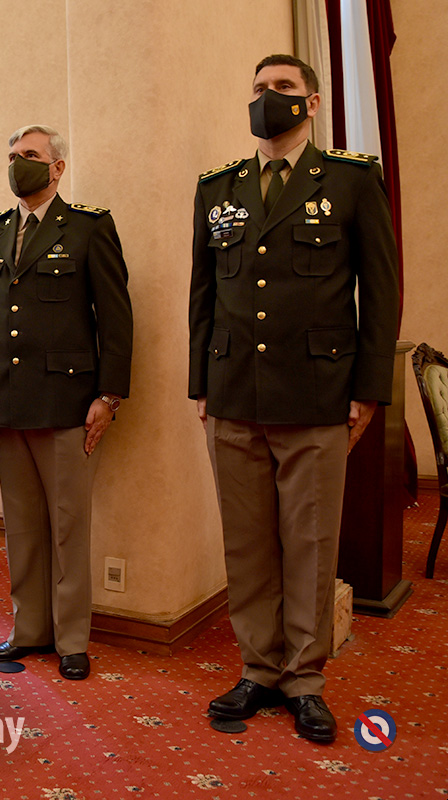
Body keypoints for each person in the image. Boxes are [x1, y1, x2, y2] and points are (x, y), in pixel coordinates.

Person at [190, 55, 400, 744]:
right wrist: (203, 385)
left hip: (317, 394)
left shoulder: (350, 179)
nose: (266, 99)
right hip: (234, 396)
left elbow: (382, 294)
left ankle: (306, 679)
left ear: (311, 103)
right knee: (248, 545)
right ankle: (259, 670)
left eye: (282, 89)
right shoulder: (218, 190)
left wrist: (368, 392)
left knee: (309, 543)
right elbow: (204, 296)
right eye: (258, 88)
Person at [0, 125, 134, 680]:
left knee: (68, 526)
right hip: (5, 399)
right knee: (21, 525)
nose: (20, 164)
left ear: (58, 167)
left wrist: (108, 395)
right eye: (13, 156)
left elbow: (115, 318)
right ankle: (29, 629)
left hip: (67, 399)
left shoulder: (89, 227)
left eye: (32, 156)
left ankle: (71, 638)